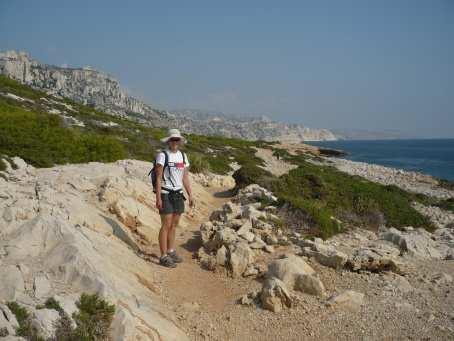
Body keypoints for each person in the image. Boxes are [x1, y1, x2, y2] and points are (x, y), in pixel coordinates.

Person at [155, 128, 195, 268]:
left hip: (178, 194)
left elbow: (185, 177)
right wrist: (158, 197)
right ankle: (163, 255)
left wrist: (190, 195)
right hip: (166, 193)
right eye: (172, 139)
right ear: (169, 141)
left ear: (180, 141)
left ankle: (170, 251)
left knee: (174, 225)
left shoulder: (183, 156)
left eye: (177, 139)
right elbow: (159, 178)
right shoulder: (162, 155)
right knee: (165, 225)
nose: (175, 142)